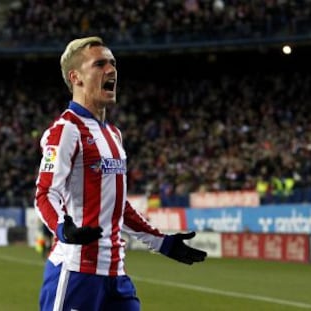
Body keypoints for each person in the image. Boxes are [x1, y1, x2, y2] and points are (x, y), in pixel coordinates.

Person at [34, 36, 207, 311]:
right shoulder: (66, 129)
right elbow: (45, 193)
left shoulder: (114, 134)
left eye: (113, 63)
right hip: (76, 273)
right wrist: (61, 227)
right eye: (100, 64)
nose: (111, 69)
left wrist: (161, 243)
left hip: (116, 277)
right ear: (76, 77)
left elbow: (117, 206)